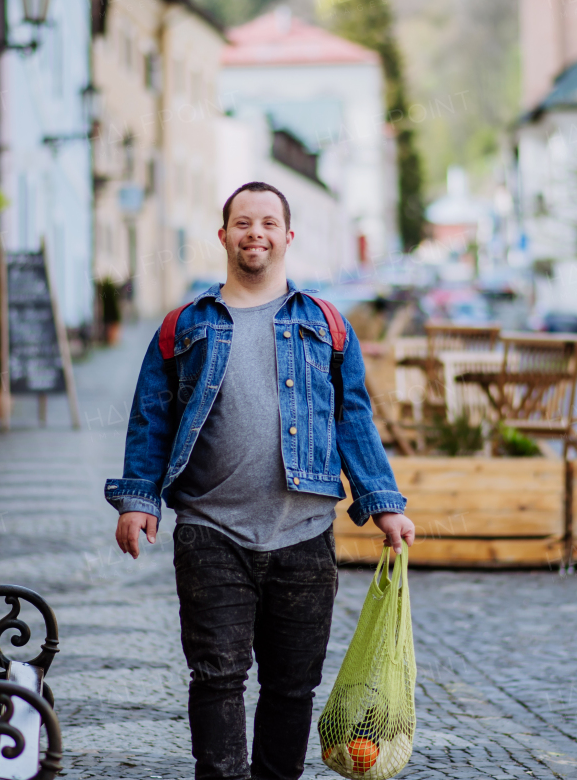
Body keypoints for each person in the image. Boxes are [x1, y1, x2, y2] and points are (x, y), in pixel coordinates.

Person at [105, 181, 415, 780]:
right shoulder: (184, 325)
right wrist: (137, 499)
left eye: (269, 223)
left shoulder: (324, 323)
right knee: (217, 678)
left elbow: (353, 417)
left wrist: (383, 503)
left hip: (303, 535)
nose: (256, 233)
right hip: (209, 531)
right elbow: (152, 414)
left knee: (292, 687)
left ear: (288, 236)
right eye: (243, 223)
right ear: (223, 236)